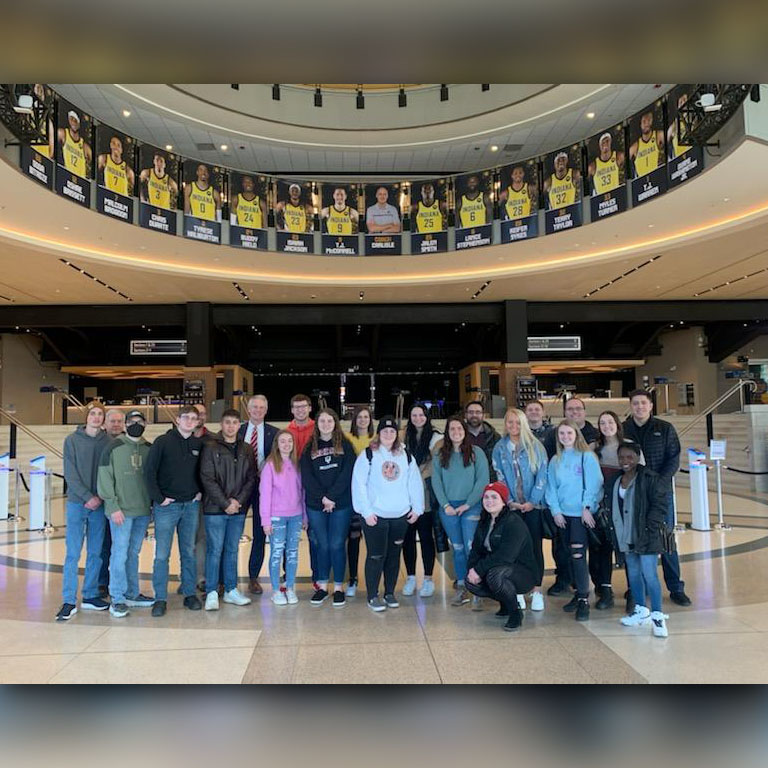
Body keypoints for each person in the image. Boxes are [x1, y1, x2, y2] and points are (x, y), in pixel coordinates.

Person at [622, 389, 691, 606]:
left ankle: (675, 587)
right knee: (633, 540)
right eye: (635, 403)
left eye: (643, 403)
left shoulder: (664, 428)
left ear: (651, 406)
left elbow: (673, 459)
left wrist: (659, 484)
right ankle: (636, 588)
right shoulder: (624, 429)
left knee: (665, 538)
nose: (639, 407)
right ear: (631, 406)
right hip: (632, 494)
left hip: (660, 494)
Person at [351, 416, 424, 612]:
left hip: (400, 516)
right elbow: (359, 484)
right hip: (375, 516)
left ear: (397, 434)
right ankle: (373, 595)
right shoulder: (368, 454)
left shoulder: (405, 455)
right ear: (379, 433)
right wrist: (365, 512)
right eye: (385, 431)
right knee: (375, 556)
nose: (389, 434)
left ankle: (389, 592)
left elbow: (414, 482)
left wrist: (417, 508)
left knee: (393, 556)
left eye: (392, 431)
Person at [603, 443, 670, 637]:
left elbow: (660, 505)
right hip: (625, 535)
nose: (625, 461)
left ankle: (657, 615)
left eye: (630, 457)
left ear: (638, 457)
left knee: (650, 575)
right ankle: (641, 610)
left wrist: (650, 527)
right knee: (633, 574)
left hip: (646, 535)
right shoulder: (615, 480)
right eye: (622, 458)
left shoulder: (649, 478)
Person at [144, 405, 203, 617]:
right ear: (178, 420)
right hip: (167, 508)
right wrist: (159, 498)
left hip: (190, 506)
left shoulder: (198, 444)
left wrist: (200, 492)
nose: (189, 421)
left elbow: (203, 472)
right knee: (162, 554)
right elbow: (149, 472)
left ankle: (189, 594)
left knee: (188, 552)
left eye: (193, 418)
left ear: (197, 422)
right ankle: (160, 598)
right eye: (185, 417)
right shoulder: (162, 442)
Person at [56, 403, 111, 621]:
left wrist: (98, 498)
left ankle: (89, 595)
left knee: (96, 552)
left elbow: (108, 474)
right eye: (93, 414)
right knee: (73, 553)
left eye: (100, 414)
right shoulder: (71, 440)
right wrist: (88, 497)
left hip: (99, 505)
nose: (96, 417)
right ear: (86, 417)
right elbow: (70, 473)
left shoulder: (108, 442)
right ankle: (69, 600)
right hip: (77, 504)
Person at [97, 410, 154, 619]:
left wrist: (151, 508)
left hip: (142, 511)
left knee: (133, 553)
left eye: (140, 421)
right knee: (119, 553)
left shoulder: (149, 448)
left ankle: (132, 593)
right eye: (132, 421)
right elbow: (104, 477)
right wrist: (112, 506)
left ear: (145, 423)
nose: (136, 424)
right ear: (126, 424)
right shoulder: (112, 447)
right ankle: (117, 598)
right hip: (121, 512)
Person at [545, 419, 603, 622]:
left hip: (581, 515)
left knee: (579, 555)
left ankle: (584, 600)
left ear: (576, 434)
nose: (565, 437)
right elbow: (551, 488)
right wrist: (555, 511)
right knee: (568, 554)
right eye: (562, 434)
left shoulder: (587, 456)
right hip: (563, 515)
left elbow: (595, 483)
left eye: (569, 433)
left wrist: (587, 507)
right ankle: (577, 594)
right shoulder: (555, 460)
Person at [491, 408, 548, 612]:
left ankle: (537, 590)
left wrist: (532, 501)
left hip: (533, 507)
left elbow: (543, 475)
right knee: (514, 550)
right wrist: (510, 501)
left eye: (517, 422)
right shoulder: (499, 447)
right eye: (510, 422)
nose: (513, 426)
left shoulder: (535, 446)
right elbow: (500, 476)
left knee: (534, 548)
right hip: (512, 508)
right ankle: (518, 591)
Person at [199, 409, 255, 611]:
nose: (231, 426)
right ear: (221, 425)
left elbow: (251, 478)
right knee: (215, 551)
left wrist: (237, 501)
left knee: (231, 550)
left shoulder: (246, 449)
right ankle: (212, 592)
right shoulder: (210, 446)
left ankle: (231, 590)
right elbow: (207, 478)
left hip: (237, 510)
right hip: (215, 509)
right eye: (227, 422)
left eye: (234, 422)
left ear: (239, 425)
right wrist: (225, 503)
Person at [588, 411, 645, 610]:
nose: (606, 426)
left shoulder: (629, 444)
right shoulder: (593, 448)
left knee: (628, 547)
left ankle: (634, 591)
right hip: (601, 505)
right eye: (602, 422)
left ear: (617, 424)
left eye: (610, 422)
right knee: (602, 548)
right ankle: (605, 590)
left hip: (624, 504)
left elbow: (641, 474)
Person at [432, 415, 490, 608]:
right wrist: (446, 505)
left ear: (465, 431)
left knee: (471, 547)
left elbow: (482, 481)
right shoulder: (440, 455)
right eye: (452, 429)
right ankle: (462, 586)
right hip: (448, 508)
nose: (456, 432)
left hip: (471, 506)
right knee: (457, 549)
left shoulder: (476, 453)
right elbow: (436, 482)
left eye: (459, 429)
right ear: (447, 433)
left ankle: (477, 589)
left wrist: (468, 504)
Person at [300, 408, 356, 607]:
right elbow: (306, 476)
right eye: (322, 421)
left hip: (341, 504)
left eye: (329, 421)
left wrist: (331, 497)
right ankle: (323, 586)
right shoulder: (309, 448)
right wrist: (322, 498)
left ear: (335, 423)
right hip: (316, 505)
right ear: (317, 424)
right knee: (322, 545)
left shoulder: (346, 445)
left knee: (337, 545)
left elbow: (348, 472)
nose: (325, 424)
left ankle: (339, 587)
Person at [466, 483, 539, 632]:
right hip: (499, 568)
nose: (489, 501)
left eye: (494, 497)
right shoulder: (485, 520)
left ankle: (515, 613)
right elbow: (476, 550)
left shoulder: (513, 522)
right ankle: (505, 603)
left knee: (495, 575)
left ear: (503, 501)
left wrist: (479, 570)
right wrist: (472, 570)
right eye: (486, 497)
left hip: (523, 573)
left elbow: (506, 556)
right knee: (470, 582)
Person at [260, 430, 307, 605]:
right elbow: (265, 494)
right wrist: (266, 520)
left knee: (293, 553)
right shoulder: (270, 465)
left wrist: (304, 516)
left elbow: (302, 492)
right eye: (282, 442)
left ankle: (290, 587)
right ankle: (275, 589)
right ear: (277, 445)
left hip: (295, 516)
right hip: (277, 518)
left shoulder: (297, 464)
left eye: (289, 441)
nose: (286, 444)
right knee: (276, 553)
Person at [238, 395, 278, 595]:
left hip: (263, 489)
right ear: (249, 409)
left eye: (262, 407)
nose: (258, 410)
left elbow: (278, 458)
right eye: (255, 407)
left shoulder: (274, 433)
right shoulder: (238, 430)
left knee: (260, 534)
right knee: (232, 533)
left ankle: (253, 577)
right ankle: (223, 579)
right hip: (239, 488)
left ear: (266, 409)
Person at [401, 404, 443, 598]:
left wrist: (416, 476)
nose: (418, 418)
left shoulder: (436, 437)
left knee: (426, 538)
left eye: (421, 415)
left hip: (425, 495)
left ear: (427, 417)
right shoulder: (402, 436)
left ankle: (427, 578)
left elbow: (436, 465)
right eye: (414, 415)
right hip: (404, 496)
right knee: (407, 538)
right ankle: (410, 577)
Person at [344, 405, 375, 597]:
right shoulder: (347, 439)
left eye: (366, 417)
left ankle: (373, 580)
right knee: (354, 539)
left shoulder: (377, 439)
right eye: (359, 417)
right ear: (354, 420)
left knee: (373, 541)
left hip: (374, 497)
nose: (363, 420)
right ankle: (353, 578)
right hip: (354, 496)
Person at [98, 408, 126, 595]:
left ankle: (120, 583)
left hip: (124, 505)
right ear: (105, 423)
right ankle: (102, 582)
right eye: (112, 421)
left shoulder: (128, 443)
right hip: (103, 503)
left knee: (123, 548)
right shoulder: (100, 443)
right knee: (104, 544)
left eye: (119, 421)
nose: (116, 424)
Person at [464, 401, 501, 479]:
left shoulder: (494, 437)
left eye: (478, 412)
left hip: (489, 480)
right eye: (471, 412)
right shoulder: (459, 436)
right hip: (465, 480)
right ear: (466, 415)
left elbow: (498, 461)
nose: (474, 415)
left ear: (483, 415)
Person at [629, 109, 665, 177]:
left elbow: (670, 134)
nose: (646, 124)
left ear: (651, 122)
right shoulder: (636, 145)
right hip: (641, 180)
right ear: (640, 124)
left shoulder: (658, 135)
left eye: (649, 120)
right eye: (644, 121)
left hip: (656, 175)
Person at [57, 109, 92, 177]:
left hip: (80, 180)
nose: (73, 121)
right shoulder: (63, 133)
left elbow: (93, 165)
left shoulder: (84, 146)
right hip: (66, 176)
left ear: (79, 123)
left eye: (76, 119)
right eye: (71, 118)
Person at [287, 393, 315, 458]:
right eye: (297, 407)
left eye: (303, 406)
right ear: (292, 410)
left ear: (310, 408)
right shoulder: (287, 432)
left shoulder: (318, 428)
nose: (300, 410)